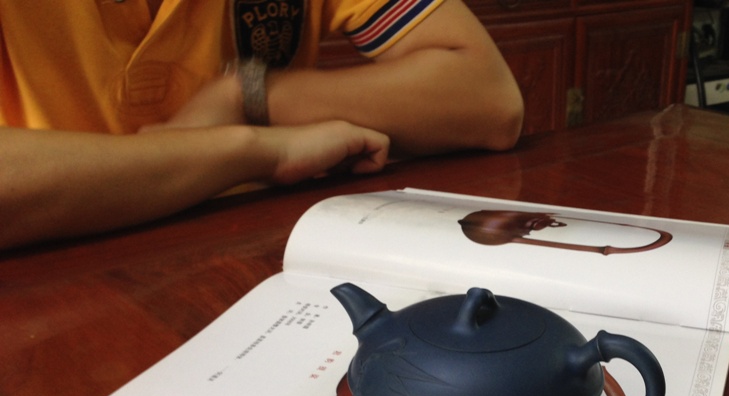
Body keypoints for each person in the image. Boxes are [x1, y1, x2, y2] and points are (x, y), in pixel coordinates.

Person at [0, 0, 524, 251]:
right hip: (58, 263)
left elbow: (488, 100)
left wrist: (246, 92)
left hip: (249, 251)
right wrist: (252, 150)